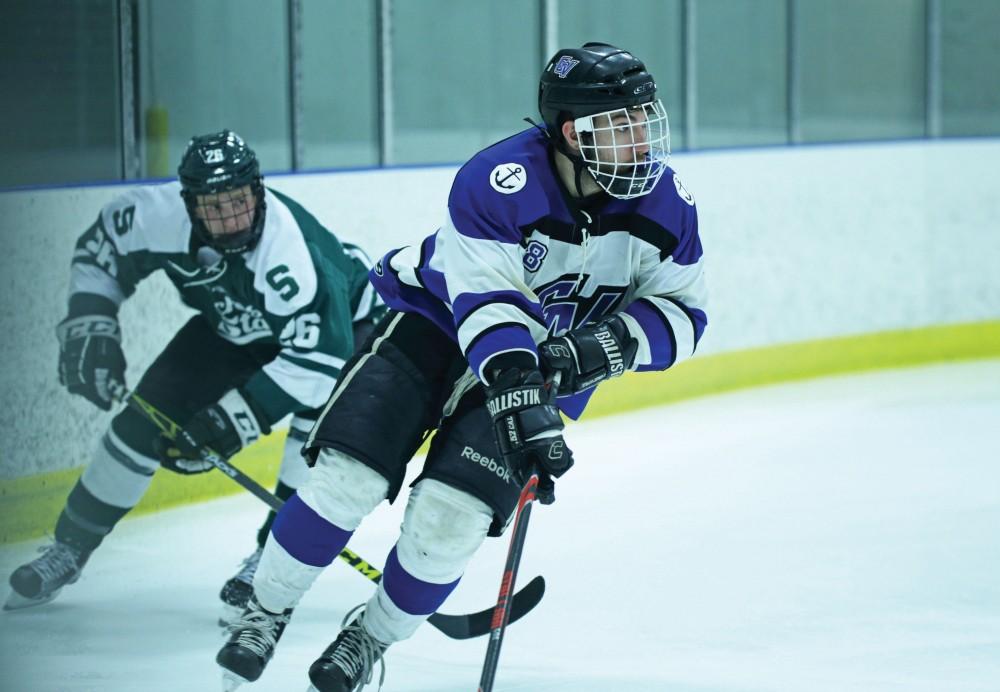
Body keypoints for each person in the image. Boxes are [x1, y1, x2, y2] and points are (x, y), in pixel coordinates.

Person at [216, 42, 708, 692]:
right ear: (570, 133)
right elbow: (486, 306)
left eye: (642, 120)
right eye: (619, 127)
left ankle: (369, 637)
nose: (640, 139)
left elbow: (683, 314)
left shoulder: (667, 205)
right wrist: (522, 387)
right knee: (346, 479)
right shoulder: (498, 179)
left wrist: (597, 349)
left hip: (546, 367)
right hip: (436, 326)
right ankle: (266, 611)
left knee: (452, 521)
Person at [5, 131, 382, 623]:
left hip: (342, 332)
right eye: (214, 206)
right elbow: (100, 253)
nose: (230, 219)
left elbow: (317, 360)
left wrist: (228, 424)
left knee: (312, 444)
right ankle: (69, 548)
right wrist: (90, 321)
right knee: (142, 423)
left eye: (239, 202)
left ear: (259, 192)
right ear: (188, 204)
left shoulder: (291, 253)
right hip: (234, 324)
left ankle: (270, 564)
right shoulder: (151, 216)